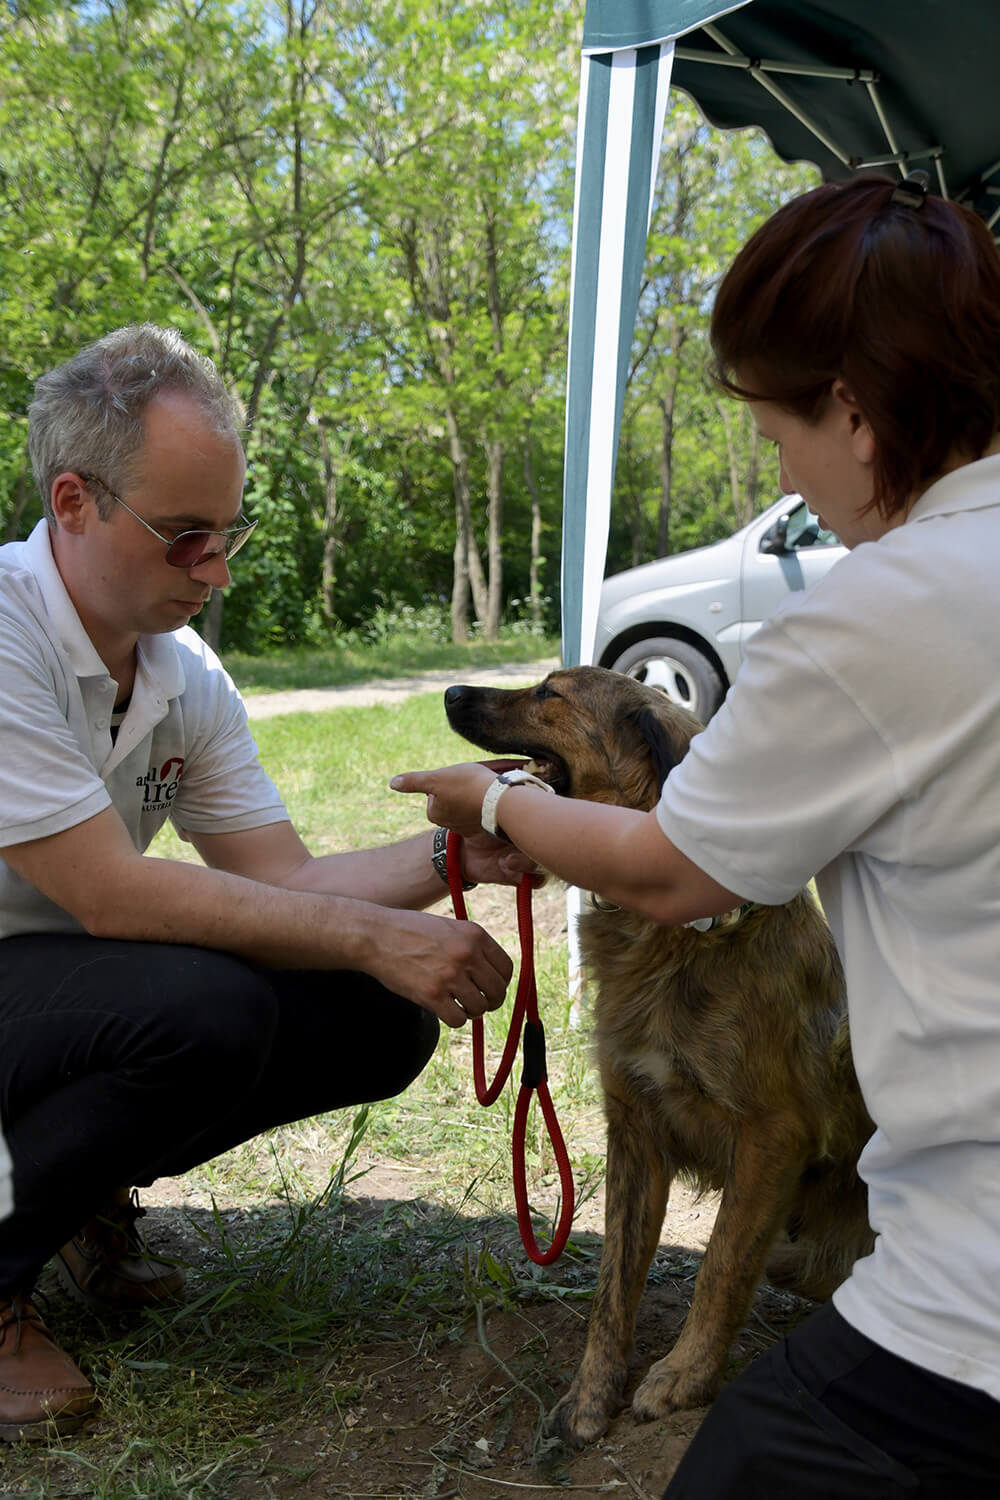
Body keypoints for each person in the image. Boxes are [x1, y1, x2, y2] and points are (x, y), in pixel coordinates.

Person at [392, 173, 1000, 1498]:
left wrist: (492, 803)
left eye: (776, 430)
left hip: (975, 1287)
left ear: (853, 410)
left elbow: (671, 872)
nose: (780, 474)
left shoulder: (881, 609)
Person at [0, 323, 532, 1444]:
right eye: (185, 538)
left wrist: (458, 856)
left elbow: (286, 880)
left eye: (229, 533)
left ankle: (76, 1193)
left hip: (47, 989)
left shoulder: (181, 671)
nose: (218, 571)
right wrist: (372, 937)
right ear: (73, 501)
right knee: (205, 1009)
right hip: (32, 978)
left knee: (372, 1017)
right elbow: (111, 897)